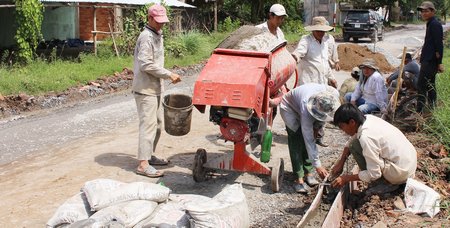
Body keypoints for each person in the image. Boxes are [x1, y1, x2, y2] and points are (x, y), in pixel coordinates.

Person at [132, 4, 181, 178]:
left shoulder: (157, 35)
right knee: (148, 126)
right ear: (150, 18)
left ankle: (149, 155)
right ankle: (143, 164)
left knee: (158, 125)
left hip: (155, 87)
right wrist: (168, 74)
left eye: (163, 22)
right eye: (158, 21)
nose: (161, 25)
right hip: (145, 89)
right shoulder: (146, 37)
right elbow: (145, 64)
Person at [330, 103, 417, 195]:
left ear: (352, 122)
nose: (343, 131)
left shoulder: (366, 138)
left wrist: (346, 178)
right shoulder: (368, 118)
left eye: (342, 127)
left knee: (355, 147)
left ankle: (385, 183)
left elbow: (374, 174)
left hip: (401, 173)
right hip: (409, 162)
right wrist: (341, 161)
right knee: (354, 144)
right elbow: (352, 139)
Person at [279, 83, 340, 193]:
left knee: (311, 138)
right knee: (297, 140)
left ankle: (309, 173)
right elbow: (309, 139)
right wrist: (318, 165)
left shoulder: (332, 95)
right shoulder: (305, 106)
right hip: (289, 109)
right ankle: (299, 179)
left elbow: (324, 116)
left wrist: (317, 126)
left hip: (305, 107)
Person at [291, 16, 338, 88]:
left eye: (322, 31)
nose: (321, 33)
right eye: (318, 31)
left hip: (322, 84)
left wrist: (331, 78)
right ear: (313, 30)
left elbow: (325, 63)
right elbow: (299, 51)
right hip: (308, 84)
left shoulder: (325, 42)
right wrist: (295, 57)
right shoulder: (306, 40)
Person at [416, 1, 444, 113]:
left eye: (426, 11)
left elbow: (439, 45)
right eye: (422, 11)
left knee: (421, 85)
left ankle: (419, 112)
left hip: (430, 61)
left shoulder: (435, 24)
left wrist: (440, 62)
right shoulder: (430, 23)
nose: (423, 13)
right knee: (430, 85)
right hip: (428, 60)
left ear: (433, 11)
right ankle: (432, 109)